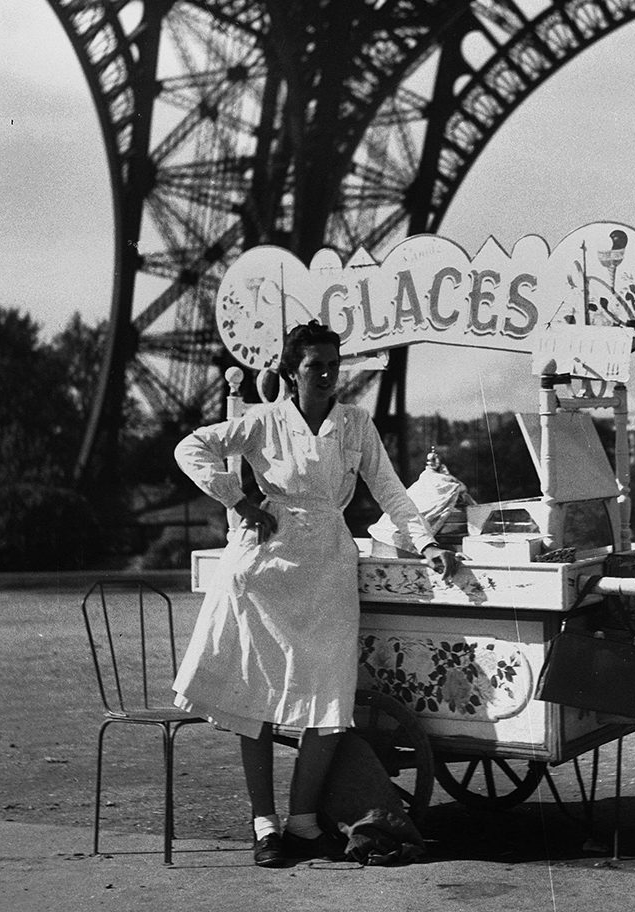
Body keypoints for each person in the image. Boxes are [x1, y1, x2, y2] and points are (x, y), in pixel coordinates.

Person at [172, 321, 459, 867]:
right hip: (262, 570)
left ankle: (303, 822)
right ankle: (265, 825)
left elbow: (391, 490)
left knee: (327, 699)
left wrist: (426, 545)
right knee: (251, 697)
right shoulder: (262, 421)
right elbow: (192, 447)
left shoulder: (355, 425)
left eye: (333, 365)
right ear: (291, 372)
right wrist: (237, 500)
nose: (326, 375)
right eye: (314, 366)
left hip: (327, 564)